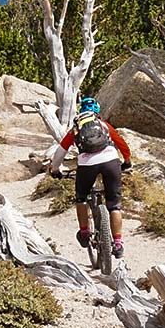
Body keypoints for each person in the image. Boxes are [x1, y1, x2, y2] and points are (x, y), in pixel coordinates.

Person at [47, 96, 132, 258]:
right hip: (111, 162)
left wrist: (55, 169)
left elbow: (60, 152)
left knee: (81, 198)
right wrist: (127, 161)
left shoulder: (76, 130)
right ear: (97, 113)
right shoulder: (104, 125)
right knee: (114, 205)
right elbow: (121, 143)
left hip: (87, 166)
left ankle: (85, 233)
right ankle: (118, 243)